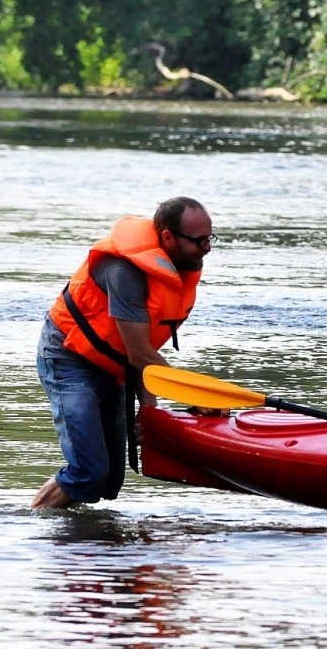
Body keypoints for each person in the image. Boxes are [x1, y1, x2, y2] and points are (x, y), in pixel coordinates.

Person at [31, 197, 214, 509]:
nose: (207, 248)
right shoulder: (124, 272)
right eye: (199, 241)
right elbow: (141, 354)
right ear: (168, 237)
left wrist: (150, 411)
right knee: (89, 474)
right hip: (68, 359)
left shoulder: (177, 269)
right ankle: (31, 523)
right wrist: (194, 395)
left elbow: (143, 351)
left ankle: (67, 524)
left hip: (114, 366)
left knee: (109, 484)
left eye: (210, 238)